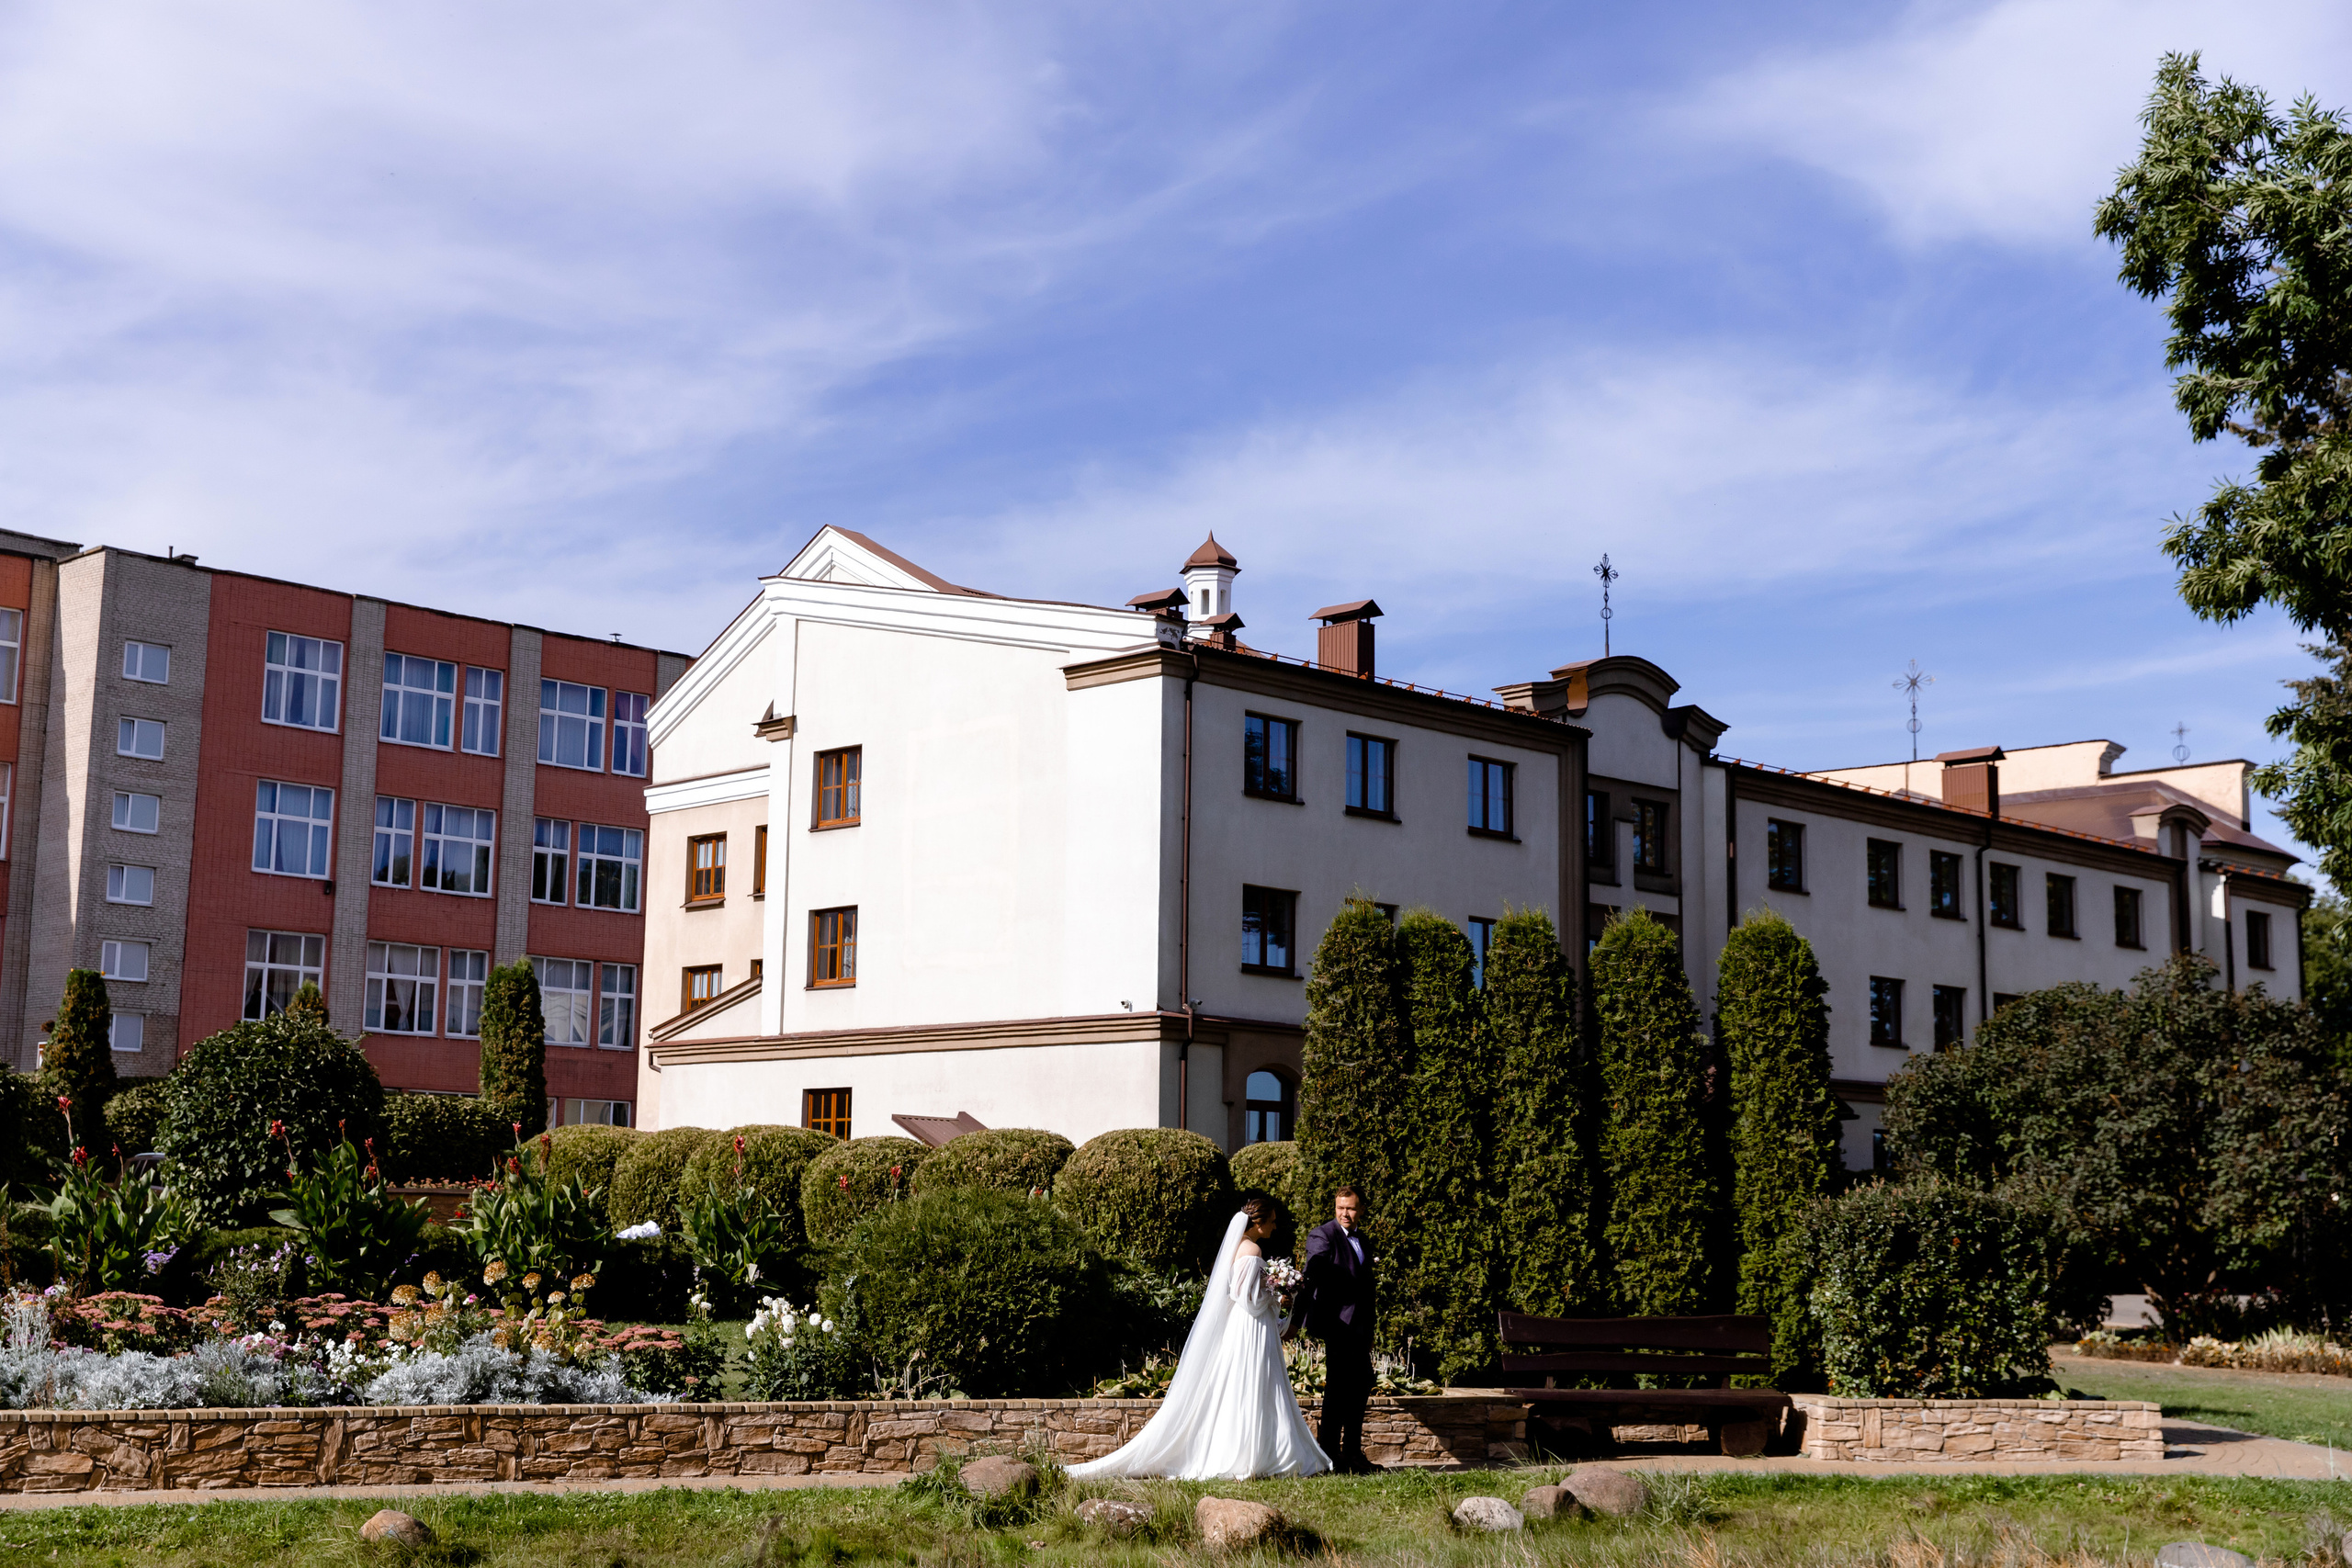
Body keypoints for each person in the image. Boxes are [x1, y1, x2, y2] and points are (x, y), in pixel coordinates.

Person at [1068, 1194, 1329, 1480]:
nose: (1275, 1227)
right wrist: (1280, 1295)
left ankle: (1257, 1451)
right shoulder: (1252, 1250)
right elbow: (1248, 1300)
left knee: (1248, 1385)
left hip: (1244, 1327)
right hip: (1251, 1327)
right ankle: (1261, 1454)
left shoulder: (1238, 1247)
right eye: (1273, 1221)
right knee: (1257, 1383)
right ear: (1258, 1222)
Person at [1287, 1186, 1379, 1473]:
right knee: (1339, 1389)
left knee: (1361, 1384)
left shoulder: (1362, 1239)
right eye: (1341, 1208)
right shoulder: (1322, 1236)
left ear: (1361, 1209)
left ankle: (1352, 1452)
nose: (1345, 1214)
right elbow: (1312, 1274)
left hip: (1360, 1325)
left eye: (1351, 1208)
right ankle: (1330, 1456)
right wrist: (1295, 1320)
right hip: (1338, 1325)